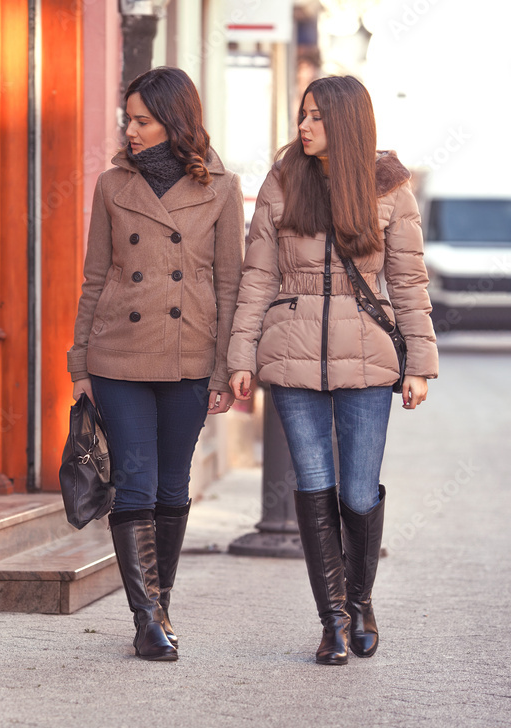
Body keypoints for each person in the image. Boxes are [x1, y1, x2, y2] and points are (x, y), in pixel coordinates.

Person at [227, 75, 439, 665]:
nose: (304, 125)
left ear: (346, 122)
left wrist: (418, 365)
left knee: (358, 489)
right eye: (303, 114)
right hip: (292, 357)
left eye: (317, 117)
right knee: (314, 484)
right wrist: (241, 356)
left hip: (370, 360)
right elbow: (258, 278)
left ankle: (361, 600)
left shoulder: (390, 188)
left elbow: (408, 283)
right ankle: (334, 622)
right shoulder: (283, 180)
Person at [68, 67, 244, 661]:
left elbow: (230, 284)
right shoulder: (111, 184)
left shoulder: (222, 187)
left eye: (142, 119)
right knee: (135, 484)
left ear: (174, 121)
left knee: (172, 487)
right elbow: (96, 279)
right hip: (118, 354)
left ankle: (161, 604)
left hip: (190, 356)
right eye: (129, 118)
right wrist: (79, 361)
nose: (131, 129)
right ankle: (146, 621)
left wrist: (224, 369)